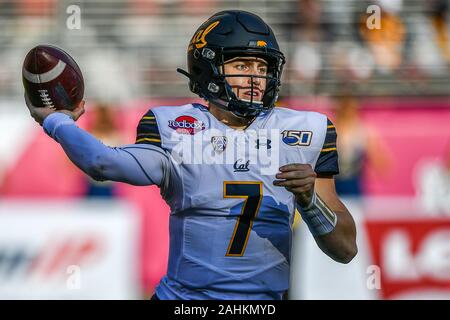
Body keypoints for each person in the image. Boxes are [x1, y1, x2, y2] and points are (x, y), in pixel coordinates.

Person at [26, 10, 357, 300]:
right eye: (242, 64)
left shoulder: (303, 130)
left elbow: (345, 249)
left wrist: (311, 201)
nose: (255, 76)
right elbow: (102, 163)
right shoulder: (176, 128)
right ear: (208, 68)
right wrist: (56, 121)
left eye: (262, 65)